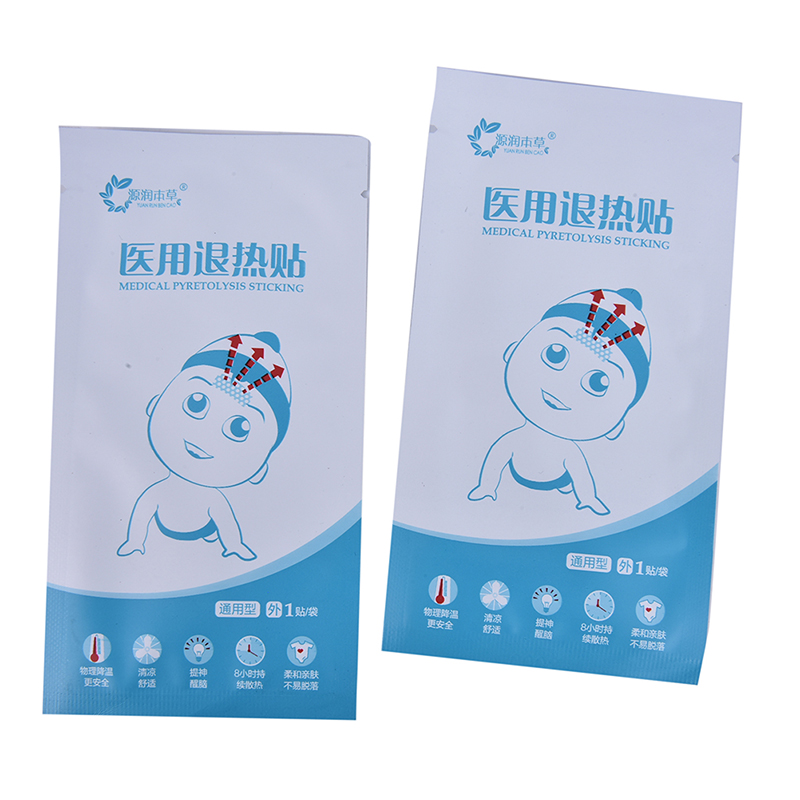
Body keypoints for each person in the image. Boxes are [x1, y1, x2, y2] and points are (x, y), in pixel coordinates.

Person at [468, 288, 650, 515]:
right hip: (518, 477)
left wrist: (588, 499)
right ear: (512, 351)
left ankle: (565, 487)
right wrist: (486, 487)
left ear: (617, 424)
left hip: (559, 479)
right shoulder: (514, 441)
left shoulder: (567, 452)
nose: (563, 385)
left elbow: (582, 477)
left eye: (598, 383)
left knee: (570, 479)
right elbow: (497, 459)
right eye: (555, 353)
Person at [117, 332, 291, 560]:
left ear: (260, 468)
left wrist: (234, 545)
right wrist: (134, 542)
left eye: (239, 429)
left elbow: (227, 524)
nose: (205, 434)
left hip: (205, 528)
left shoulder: (213, 502)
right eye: (195, 403)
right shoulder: (157, 494)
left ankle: (210, 536)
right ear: (155, 404)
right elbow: (143, 515)